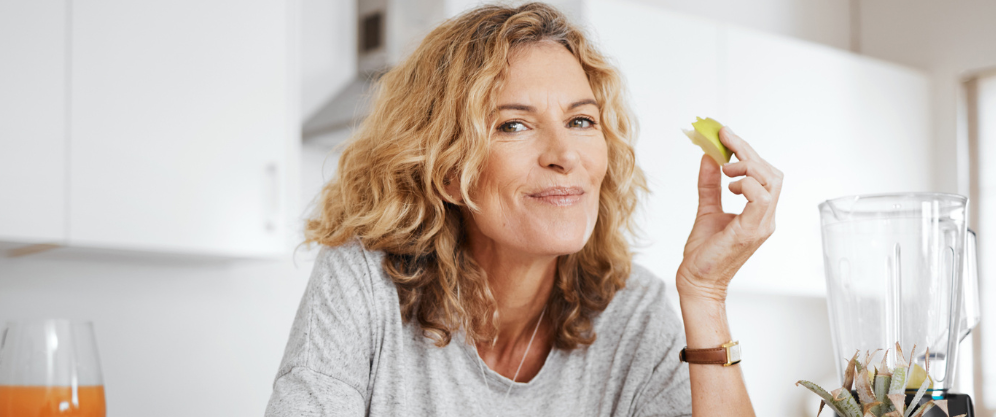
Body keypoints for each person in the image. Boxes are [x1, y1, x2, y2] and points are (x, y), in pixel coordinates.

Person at [266, 3, 781, 416]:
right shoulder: (362, 284)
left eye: (581, 121)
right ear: (447, 169)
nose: (565, 156)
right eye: (513, 124)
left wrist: (706, 295)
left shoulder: (633, 315)